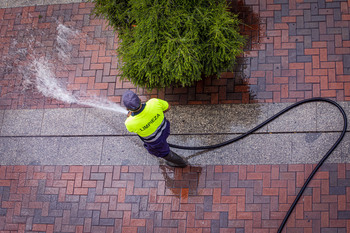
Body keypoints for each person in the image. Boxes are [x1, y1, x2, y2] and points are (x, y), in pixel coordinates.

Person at [122, 90, 188, 168]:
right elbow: (168, 107)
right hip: (165, 129)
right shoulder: (154, 102)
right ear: (139, 99)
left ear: (127, 109)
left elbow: (133, 129)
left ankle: (181, 163)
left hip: (156, 142)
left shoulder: (129, 122)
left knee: (163, 152)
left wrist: (132, 117)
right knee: (163, 138)